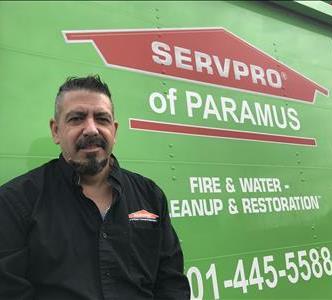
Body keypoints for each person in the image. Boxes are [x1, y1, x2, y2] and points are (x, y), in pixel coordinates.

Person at [0, 75, 190, 300]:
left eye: (101, 118)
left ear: (115, 130)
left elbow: (171, 284)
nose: (91, 129)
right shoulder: (15, 202)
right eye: (77, 118)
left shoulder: (150, 196)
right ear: (55, 131)